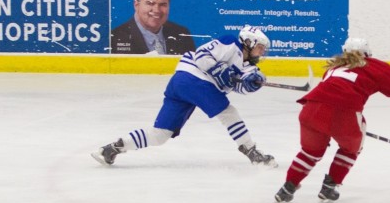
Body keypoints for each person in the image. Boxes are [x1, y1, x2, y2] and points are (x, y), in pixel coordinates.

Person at [272, 38, 390, 203]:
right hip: (343, 112)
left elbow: (329, 93)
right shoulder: (372, 65)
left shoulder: (334, 67)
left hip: (310, 110)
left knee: (310, 152)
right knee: (351, 148)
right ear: (367, 53)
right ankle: (330, 186)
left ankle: (287, 188)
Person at [92, 25, 276, 168]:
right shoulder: (230, 43)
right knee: (228, 113)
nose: (262, 52)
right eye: (260, 47)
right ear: (249, 42)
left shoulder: (250, 68)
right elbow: (202, 55)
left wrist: (250, 84)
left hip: (183, 85)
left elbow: (237, 86)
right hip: (192, 78)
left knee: (161, 134)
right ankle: (251, 152)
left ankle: (112, 148)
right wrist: (219, 69)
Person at [111, 0, 195, 55]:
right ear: (136, 5)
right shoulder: (114, 39)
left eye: (162, 4)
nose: (156, 10)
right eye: (150, 3)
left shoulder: (182, 35)